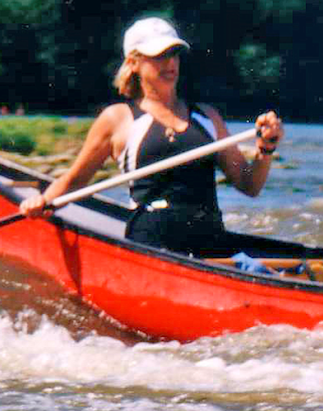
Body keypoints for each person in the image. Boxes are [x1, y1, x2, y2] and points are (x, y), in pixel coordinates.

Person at [19, 16, 284, 255]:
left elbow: (249, 185)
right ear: (133, 63)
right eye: (159, 56)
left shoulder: (208, 116)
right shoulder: (117, 118)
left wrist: (266, 148)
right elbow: (75, 180)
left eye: (174, 54)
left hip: (209, 242)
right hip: (150, 244)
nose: (170, 63)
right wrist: (43, 202)